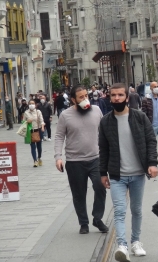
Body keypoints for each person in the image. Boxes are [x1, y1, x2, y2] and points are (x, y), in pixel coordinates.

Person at [99, 83, 158, 262]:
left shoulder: (139, 117)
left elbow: (150, 141)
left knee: (137, 210)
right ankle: (122, 245)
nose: (116, 98)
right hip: (117, 174)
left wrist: (152, 163)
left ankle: (136, 242)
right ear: (109, 97)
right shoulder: (106, 121)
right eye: (113, 95)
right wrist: (103, 173)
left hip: (138, 173)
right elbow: (103, 149)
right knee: (119, 211)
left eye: (120, 95)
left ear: (126, 97)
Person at [54, 85, 108, 234]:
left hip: (96, 158)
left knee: (100, 187)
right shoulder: (65, 115)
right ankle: (83, 223)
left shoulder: (96, 110)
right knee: (79, 193)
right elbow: (59, 137)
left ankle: (97, 218)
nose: (85, 99)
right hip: (74, 161)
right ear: (73, 100)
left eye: (86, 96)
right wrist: (58, 157)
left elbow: (103, 132)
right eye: (81, 97)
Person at [23, 99, 45, 167]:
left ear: (35, 105)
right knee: (32, 147)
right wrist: (27, 122)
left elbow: (41, 120)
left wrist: (42, 127)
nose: (31, 105)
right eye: (30, 104)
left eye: (33, 103)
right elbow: (23, 122)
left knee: (39, 146)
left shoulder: (38, 112)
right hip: (30, 131)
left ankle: (39, 157)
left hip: (38, 130)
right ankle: (35, 161)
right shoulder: (26, 112)